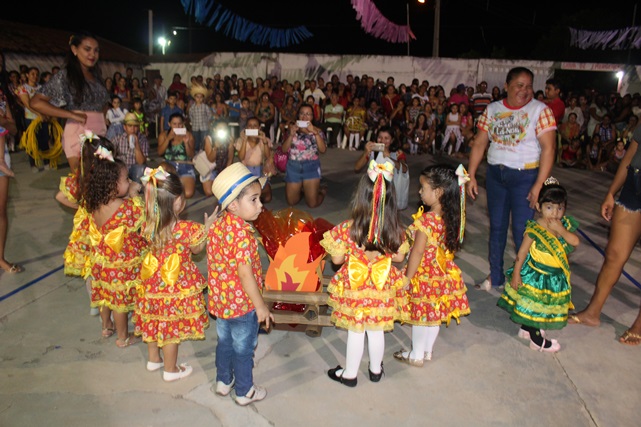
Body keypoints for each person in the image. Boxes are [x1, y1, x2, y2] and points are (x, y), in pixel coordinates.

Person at [466, 67, 557, 291]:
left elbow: (549, 148)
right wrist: (471, 176)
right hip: (496, 175)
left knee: (522, 231)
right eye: (519, 85)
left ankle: (525, 282)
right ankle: (496, 276)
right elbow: (479, 143)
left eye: (529, 86)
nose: (525, 90)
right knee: (496, 228)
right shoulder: (493, 109)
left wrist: (538, 185)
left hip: (525, 176)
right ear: (507, 86)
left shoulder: (540, 110)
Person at [321, 160, 408, 386]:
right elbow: (398, 257)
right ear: (390, 201)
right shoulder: (396, 230)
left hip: (355, 287)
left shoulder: (348, 228)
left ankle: (350, 374)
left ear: (361, 197)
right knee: (376, 330)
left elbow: (337, 260)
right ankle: (376, 370)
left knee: (356, 331)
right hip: (381, 287)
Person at [135, 167, 212, 382]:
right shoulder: (185, 229)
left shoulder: (147, 225)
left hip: (151, 282)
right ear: (177, 202)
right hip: (175, 284)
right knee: (170, 329)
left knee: (153, 318)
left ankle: (153, 359)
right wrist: (206, 228)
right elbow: (197, 249)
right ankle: (170, 370)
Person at [568, 127, 641, 344]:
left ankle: (639, 324)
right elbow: (630, 157)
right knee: (613, 254)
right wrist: (611, 192)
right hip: (633, 188)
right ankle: (592, 313)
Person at [208, 162, 273, 405]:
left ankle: (223, 381)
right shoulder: (243, 235)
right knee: (244, 350)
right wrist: (260, 306)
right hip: (244, 305)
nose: (261, 205)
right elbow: (245, 274)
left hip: (222, 302)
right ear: (234, 205)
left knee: (224, 343)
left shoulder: (218, 225)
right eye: (254, 200)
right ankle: (245, 391)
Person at [395, 164, 471, 365]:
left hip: (425, 274)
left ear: (438, 192)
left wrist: (408, 277)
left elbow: (418, 251)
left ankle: (416, 354)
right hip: (442, 273)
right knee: (434, 314)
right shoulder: (452, 216)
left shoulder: (427, 220)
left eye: (423, 188)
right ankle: (427, 351)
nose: (419, 192)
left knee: (421, 315)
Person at [498, 177, 579, 352]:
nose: (555, 213)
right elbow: (521, 253)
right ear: (538, 207)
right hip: (536, 276)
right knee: (535, 306)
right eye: (549, 207)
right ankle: (537, 341)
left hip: (554, 277)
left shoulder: (562, 225)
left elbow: (575, 241)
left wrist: (561, 231)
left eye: (560, 208)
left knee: (543, 306)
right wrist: (517, 274)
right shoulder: (535, 228)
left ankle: (526, 328)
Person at [84, 143, 147, 348]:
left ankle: (106, 325)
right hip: (121, 263)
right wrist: (136, 195)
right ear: (113, 185)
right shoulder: (123, 206)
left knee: (105, 295)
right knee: (120, 302)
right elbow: (141, 216)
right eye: (126, 179)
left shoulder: (95, 202)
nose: (129, 182)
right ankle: (123, 337)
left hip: (102, 262)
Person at [30, 31, 110, 173]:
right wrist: (70, 115)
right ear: (74, 49)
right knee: (85, 181)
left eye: (96, 50)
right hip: (78, 132)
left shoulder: (97, 76)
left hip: (100, 133)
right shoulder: (65, 75)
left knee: (102, 181)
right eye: (87, 49)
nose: (92, 54)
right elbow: (36, 102)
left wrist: (103, 118)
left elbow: (104, 103)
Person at [281, 103, 327, 208]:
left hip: (311, 166)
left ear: (312, 117)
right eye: (302, 113)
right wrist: (291, 134)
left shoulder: (317, 131)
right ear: (298, 115)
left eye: (308, 114)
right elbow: (284, 149)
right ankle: (303, 190)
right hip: (293, 166)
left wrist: (315, 133)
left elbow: (323, 150)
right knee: (291, 202)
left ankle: (322, 191)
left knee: (312, 204)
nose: (304, 117)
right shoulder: (293, 129)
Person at [157, 112, 196, 199]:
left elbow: (191, 155)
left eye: (179, 124)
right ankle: (170, 187)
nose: (177, 126)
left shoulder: (188, 135)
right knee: (161, 167)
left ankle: (176, 185)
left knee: (188, 193)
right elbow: (159, 152)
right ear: (169, 124)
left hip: (185, 166)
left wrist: (186, 143)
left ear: (183, 124)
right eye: (174, 124)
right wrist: (168, 139)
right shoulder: (164, 135)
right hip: (170, 165)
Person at [234, 117, 274, 203]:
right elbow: (241, 157)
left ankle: (254, 201)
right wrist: (244, 140)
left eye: (255, 126)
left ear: (259, 128)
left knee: (267, 197)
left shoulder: (264, 140)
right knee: (248, 195)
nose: (252, 128)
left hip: (260, 171)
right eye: (250, 126)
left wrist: (264, 141)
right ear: (246, 128)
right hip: (246, 172)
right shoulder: (240, 140)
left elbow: (268, 156)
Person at [199, 120, 235, 198]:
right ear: (214, 129)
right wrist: (215, 147)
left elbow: (230, 159)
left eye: (225, 129)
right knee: (209, 192)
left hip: (223, 167)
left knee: (225, 190)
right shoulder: (209, 139)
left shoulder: (229, 139)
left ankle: (218, 182)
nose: (223, 130)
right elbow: (210, 159)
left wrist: (225, 174)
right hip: (210, 168)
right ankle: (207, 183)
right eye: (220, 128)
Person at [112, 112, 149, 183]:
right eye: (130, 126)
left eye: (135, 126)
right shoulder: (118, 139)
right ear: (125, 127)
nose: (132, 129)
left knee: (141, 168)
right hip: (121, 170)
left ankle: (137, 189)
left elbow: (141, 162)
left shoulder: (143, 139)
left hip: (134, 170)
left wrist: (137, 144)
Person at [187, 85, 212, 153]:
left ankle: (204, 152)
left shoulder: (205, 106)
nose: (199, 99)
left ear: (203, 98)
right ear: (194, 98)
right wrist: (192, 122)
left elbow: (209, 114)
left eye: (201, 97)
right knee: (196, 141)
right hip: (195, 127)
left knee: (204, 140)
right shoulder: (192, 107)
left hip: (204, 127)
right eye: (197, 97)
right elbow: (190, 115)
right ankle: (196, 152)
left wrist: (207, 121)